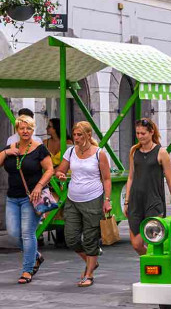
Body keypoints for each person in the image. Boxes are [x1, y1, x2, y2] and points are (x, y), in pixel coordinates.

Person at [53, 121, 111, 287]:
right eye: (75, 135)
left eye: (79, 135)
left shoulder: (99, 153)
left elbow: (106, 179)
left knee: (90, 238)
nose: (76, 138)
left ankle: (89, 274)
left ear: (88, 135)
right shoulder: (70, 151)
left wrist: (107, 201)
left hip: (93, 199)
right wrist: (61, 175)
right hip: (73, 200)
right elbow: (60, 171)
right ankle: (91, 261)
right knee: (70, 238)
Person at [1, 115, 55, 284]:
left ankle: (27, 270)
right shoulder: (11, 147)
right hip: (12, 197)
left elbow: (49, 170)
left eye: (28, 128)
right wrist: (5, 152)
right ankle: (35, 256)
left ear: (33, 130)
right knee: (13, 233)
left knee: (27, 233)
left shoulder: (39, 149)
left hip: (31, 198)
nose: (25, 131)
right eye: (22, 128)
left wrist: (39, 186)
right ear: (17, 130)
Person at [124, 118, 171, 255]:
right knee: (136, 244)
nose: (140, 136)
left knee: (153, 240)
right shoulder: (134, 151)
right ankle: (149, 261)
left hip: (154, 201)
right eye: (137, 133)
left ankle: (152, 268)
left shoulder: (161, 152)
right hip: (136, 201)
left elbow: (170, 180)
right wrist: (126, 201)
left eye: (143, 133)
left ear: (151, 132)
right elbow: (131, 177)